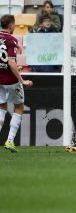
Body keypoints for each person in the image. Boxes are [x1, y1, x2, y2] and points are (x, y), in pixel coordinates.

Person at [0, 15, 33, 152]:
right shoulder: (11, 40)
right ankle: (9, 141)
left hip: (0, 80)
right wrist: (22, 80)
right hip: (11, 81)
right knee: (19, 107)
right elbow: (11, 62)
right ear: (11, 26)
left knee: (2, 107)